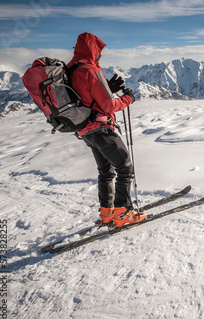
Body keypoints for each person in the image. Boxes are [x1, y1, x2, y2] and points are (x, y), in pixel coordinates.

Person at [67, 32, 146, 228]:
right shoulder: (90, 70)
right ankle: (123, 213)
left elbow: (86, 98)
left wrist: (107, 87)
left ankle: (107, 213)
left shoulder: (72, 70)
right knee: (125, 166)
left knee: (106, 171)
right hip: (100, 128)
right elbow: (108, 106)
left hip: (85, 130)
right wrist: (128, 98)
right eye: (98, 51)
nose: (100, 56)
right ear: (94, 51)